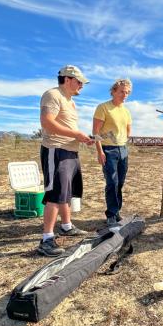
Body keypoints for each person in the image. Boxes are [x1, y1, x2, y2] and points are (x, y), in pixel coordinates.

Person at [37, 65, 95, 257]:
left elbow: (67, 127)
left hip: (70, 151)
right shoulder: (52, 95)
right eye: (79, 82)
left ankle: (66, 226)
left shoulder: (70, 101)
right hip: (56, 150)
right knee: (54, 194)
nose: (82, 86)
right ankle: (46, 239)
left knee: (66, 192)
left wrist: (82, 138)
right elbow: (47, 122)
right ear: (68, 79)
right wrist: (76, 134)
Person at [92, 78, 133, 227]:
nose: (125, 94)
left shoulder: (126, 111)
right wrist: (100, 151)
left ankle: (116, 212)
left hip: (123, 150)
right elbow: (95, 132)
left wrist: (122, 143)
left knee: (120, 183)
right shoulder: (103, 107)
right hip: (108, 150)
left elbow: (128, 131)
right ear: (114, 91)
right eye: (122, 91)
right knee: (112, 183)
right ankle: (110, 214)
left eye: (127, 92)